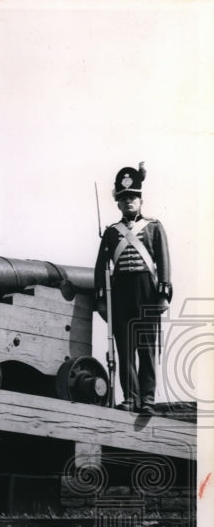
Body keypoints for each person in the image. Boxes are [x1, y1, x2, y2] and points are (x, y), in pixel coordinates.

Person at [93, 164, 172, 415]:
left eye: (133, 197)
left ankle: (147, 400)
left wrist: (163, 294)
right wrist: (102, 301)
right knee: (125, 348)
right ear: (118, 203)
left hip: (147, 291)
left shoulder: (154, 227)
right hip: (121, 292)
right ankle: (130, 398)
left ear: (141, 200)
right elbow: (100, 268)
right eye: (124, 198)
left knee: (146, 347)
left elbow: (164, 261)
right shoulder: (111, 233)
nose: (128, 202)